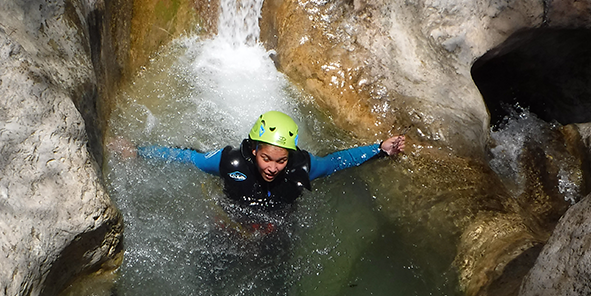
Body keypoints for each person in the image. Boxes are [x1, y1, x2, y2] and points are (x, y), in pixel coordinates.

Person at [117, 110, 405, 208]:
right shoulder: (230, 163)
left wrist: (379, 148)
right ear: (254, 150)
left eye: (280, 161)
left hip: (275, 225)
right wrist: (139, 151)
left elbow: (337, 162)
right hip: (232, 219)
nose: (272, 167)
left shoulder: (300, 167)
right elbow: (187, 158)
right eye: (266, 158)